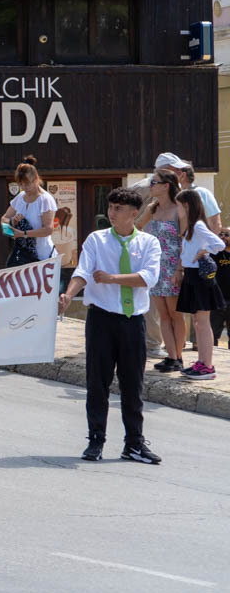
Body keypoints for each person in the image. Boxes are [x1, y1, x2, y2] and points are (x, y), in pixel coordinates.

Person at [60, 188, 162, 464]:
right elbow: (83, 272)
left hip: (133, 321)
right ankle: (96, 440)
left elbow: (148, 278)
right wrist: (68, 295)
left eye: (119, 208)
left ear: (134, 213)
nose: (112, 213)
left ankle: (134, 444)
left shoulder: (149, 242)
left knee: (133, 385)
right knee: (97, 382)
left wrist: (111, 278)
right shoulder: (97, 239)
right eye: (111, 207)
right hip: (101, 319)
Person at [138, 170, 187, 373]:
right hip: (156, 267)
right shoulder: (152, 208)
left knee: (175, 314)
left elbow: (185, 241)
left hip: (173, 266)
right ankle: (171, 356)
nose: (150, 186)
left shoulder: (179, 209)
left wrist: (179, 269)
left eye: (154, 182)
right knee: (163, 314)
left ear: (166, 185)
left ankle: (178, 356)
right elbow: (137, 227)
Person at [174, 188, 223, 381]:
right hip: (192, 277)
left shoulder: (198, 226)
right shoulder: (192, 227)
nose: (177, 210)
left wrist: (204, 251)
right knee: (198, 322)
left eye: (179, 206)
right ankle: (202, 362)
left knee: (202, 323)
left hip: (199, 278)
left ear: (186, 206)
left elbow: (219, 244)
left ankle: (207, 366)